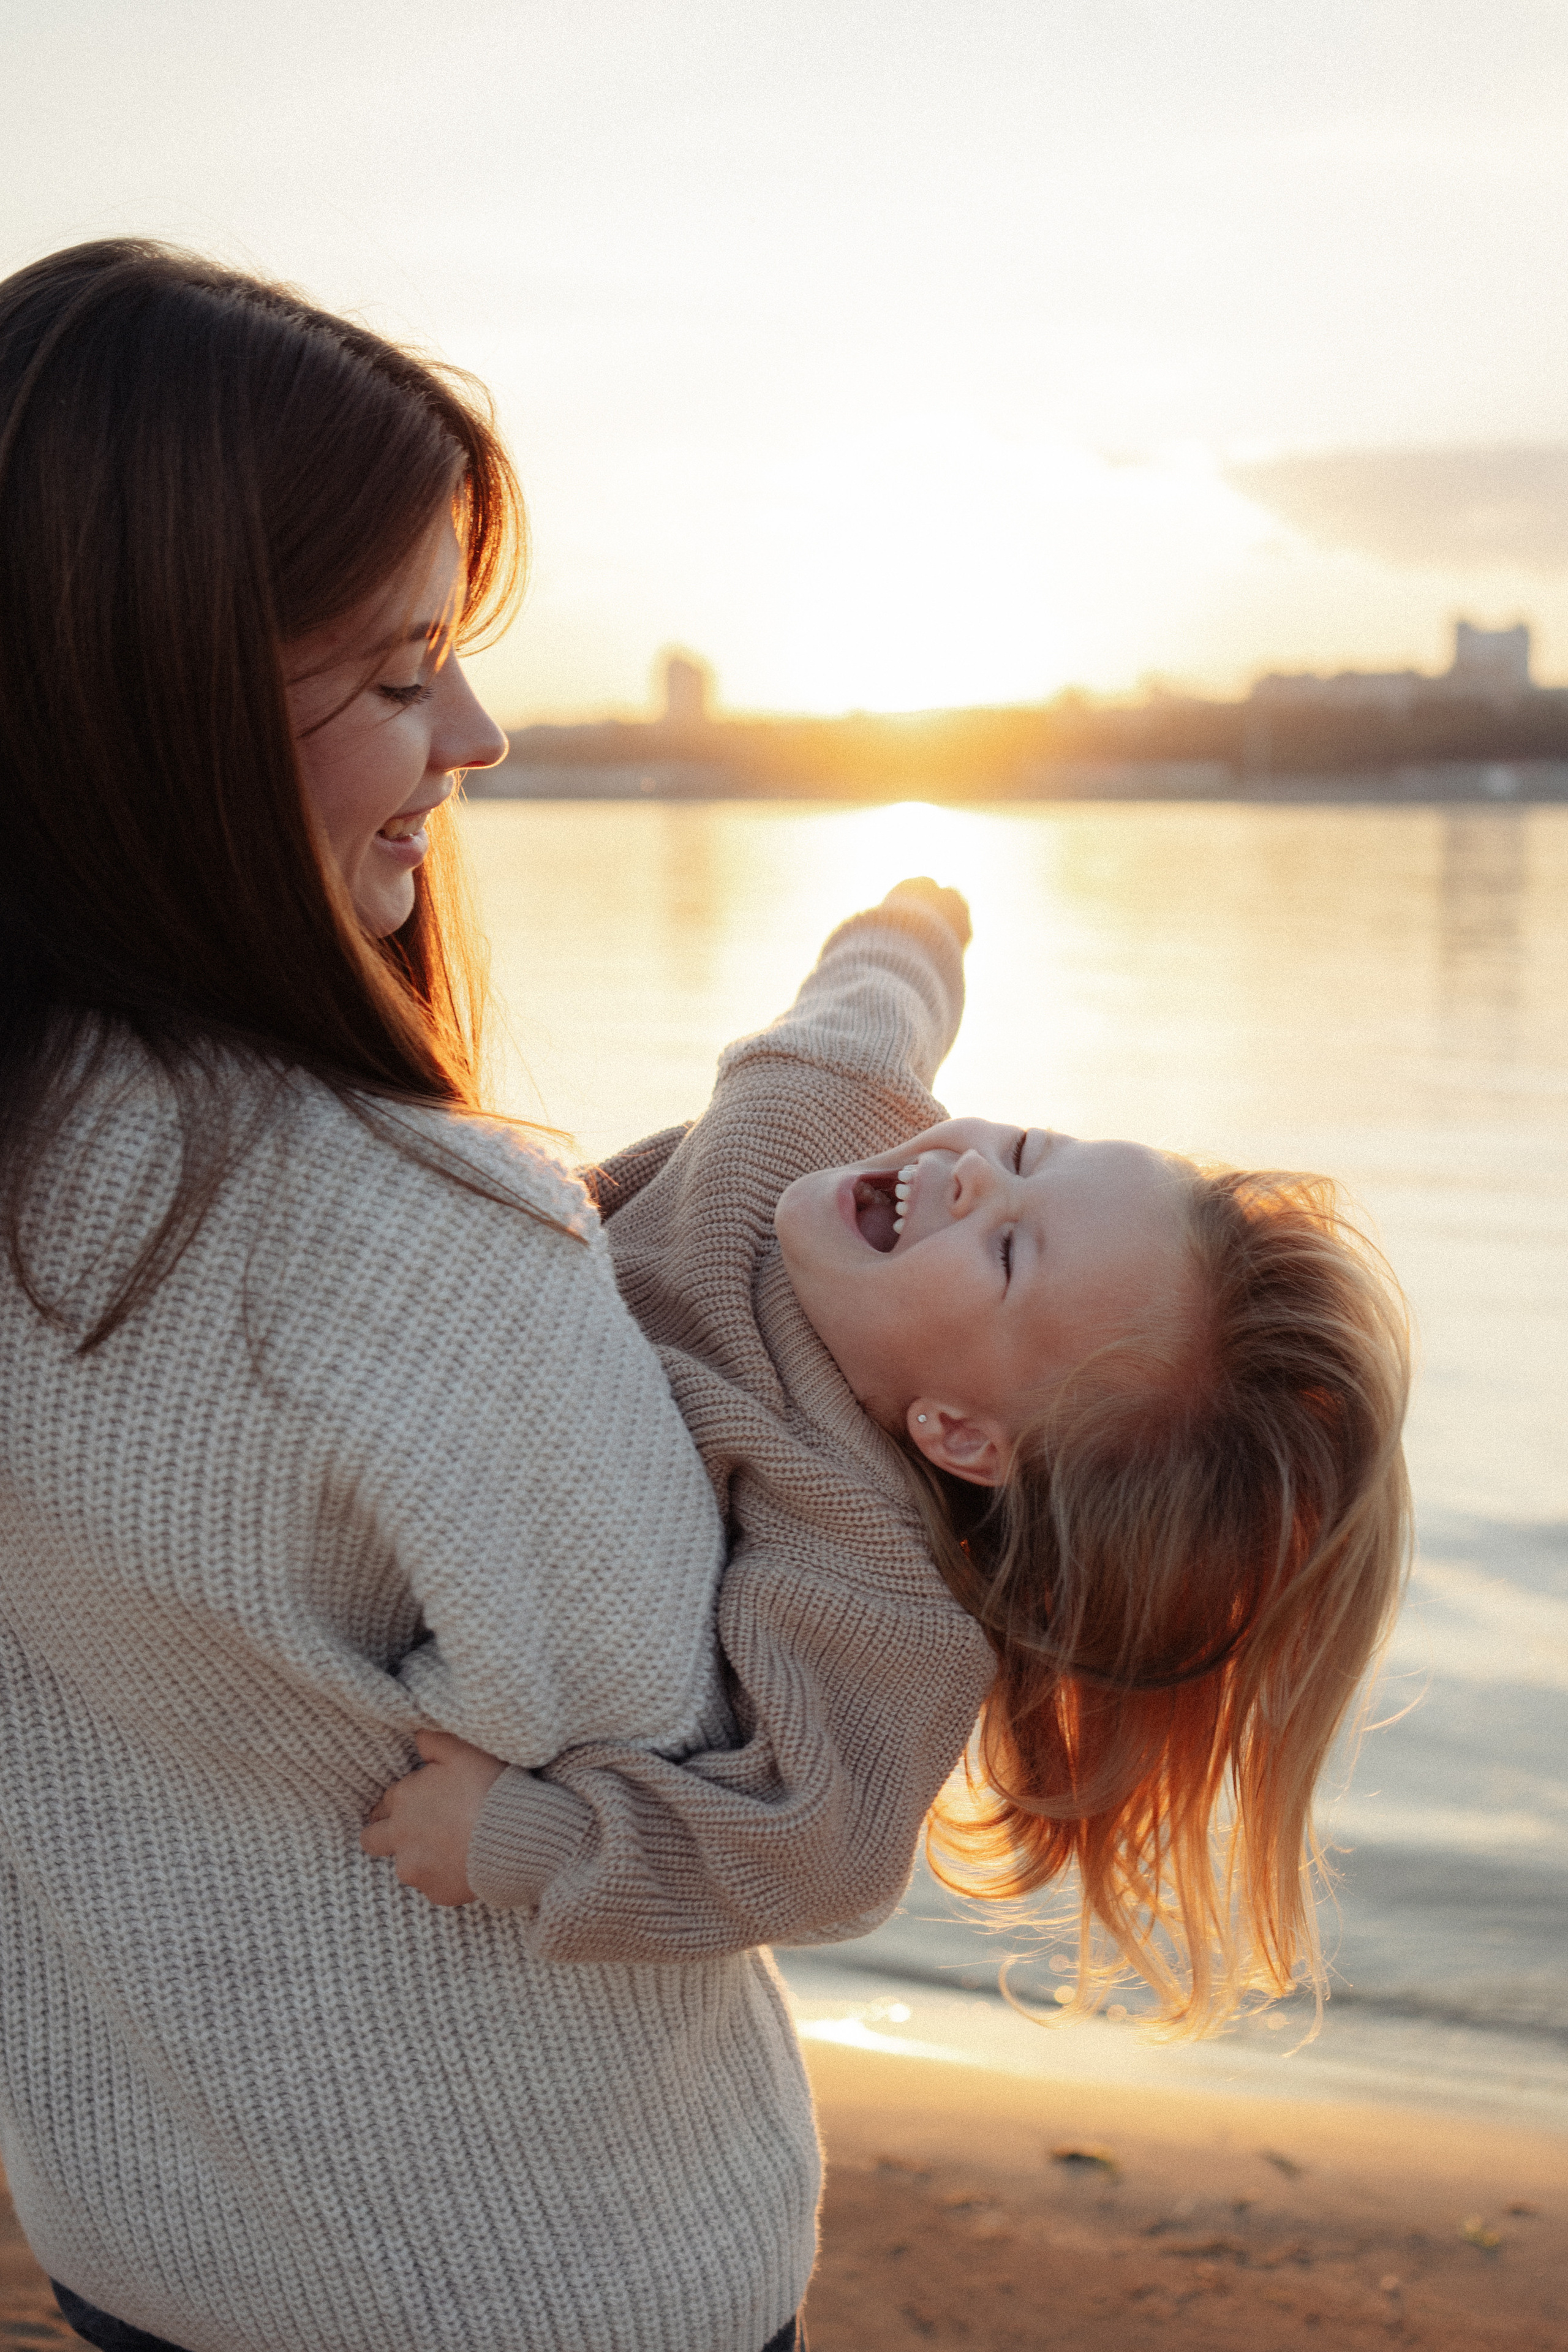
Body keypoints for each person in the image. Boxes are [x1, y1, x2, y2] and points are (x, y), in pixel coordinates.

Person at [0, 236, 910, 2352]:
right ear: (158, 714)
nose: (479, 736)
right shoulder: (416, 1237)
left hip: (136, 2215)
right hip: (533, 2269)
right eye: (406, 675)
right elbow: (692, 1765)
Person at [368, 878, 1412, 2035]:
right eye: (1031, 1149)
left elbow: (823, 1855)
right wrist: (921, 922)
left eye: (1008, 1252)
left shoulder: (863, 1552)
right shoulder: (824, 1111)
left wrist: (528, 1841)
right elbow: (874, 999)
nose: (975, 1172)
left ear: (959, 1433)